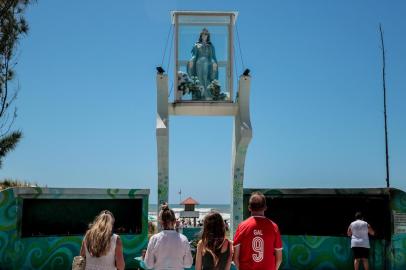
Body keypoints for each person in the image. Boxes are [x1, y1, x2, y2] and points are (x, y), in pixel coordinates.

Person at [233, 192, 283, 270]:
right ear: (265, 207)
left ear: (249, 208)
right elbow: (279, 258)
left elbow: (235, 258)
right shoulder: (274, 227)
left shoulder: (242, 226)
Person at [144, 203, 193, 270]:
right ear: (175, 221)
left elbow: (148, 265)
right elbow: (188, 264)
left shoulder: (154, 239)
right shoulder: (183, 239)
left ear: (161, 222)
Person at [187, 28, 218, 99]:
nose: (205, 35)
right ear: (201, 35)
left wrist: (214, 63)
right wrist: (191, 61)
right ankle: (200, 92)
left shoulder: (210, 46)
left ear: (208, 36)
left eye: (206, 34)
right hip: (199, 63)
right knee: (199, 78)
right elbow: (194, 55)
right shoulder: (197, 45)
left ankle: (206, 93)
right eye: (203, 34)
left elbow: (213, 56)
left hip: (207, 63)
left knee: (205, 77)